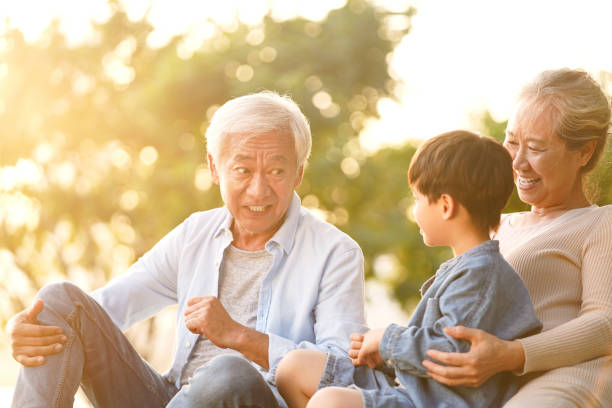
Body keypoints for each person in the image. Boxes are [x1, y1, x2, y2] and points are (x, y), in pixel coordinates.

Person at [7, 91, 367, 407]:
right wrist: (31, 327)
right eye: (242, 170)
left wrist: (240, 337)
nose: (259, 191)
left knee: (230, 372)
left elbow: (343, 374)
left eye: (276, 171)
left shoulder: (336, 253)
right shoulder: (196, 233)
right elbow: (105, 309)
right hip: (173, 397)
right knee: (59, 302)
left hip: (255, 400)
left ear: (299, 173)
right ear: (214, 168)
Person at [274, 130, 542, 408]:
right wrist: (390, 356)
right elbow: (433, 344)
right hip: (413, 387)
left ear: (446, 206)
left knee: (330, 402)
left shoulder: (481, 276)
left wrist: (386, 340)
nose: (414, 209)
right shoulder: (466, 269)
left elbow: (453, 352)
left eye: (417, 198)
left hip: (434, 401)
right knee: (294, 367)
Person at [423, 68, 612, 407]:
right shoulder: (492, 226)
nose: (518, 162)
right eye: (511, 142)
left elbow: (605, 323)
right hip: (473, 386)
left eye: (536, 148)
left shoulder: (600, 223)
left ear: (584, 152)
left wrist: (511, 354)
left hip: (553, 382)